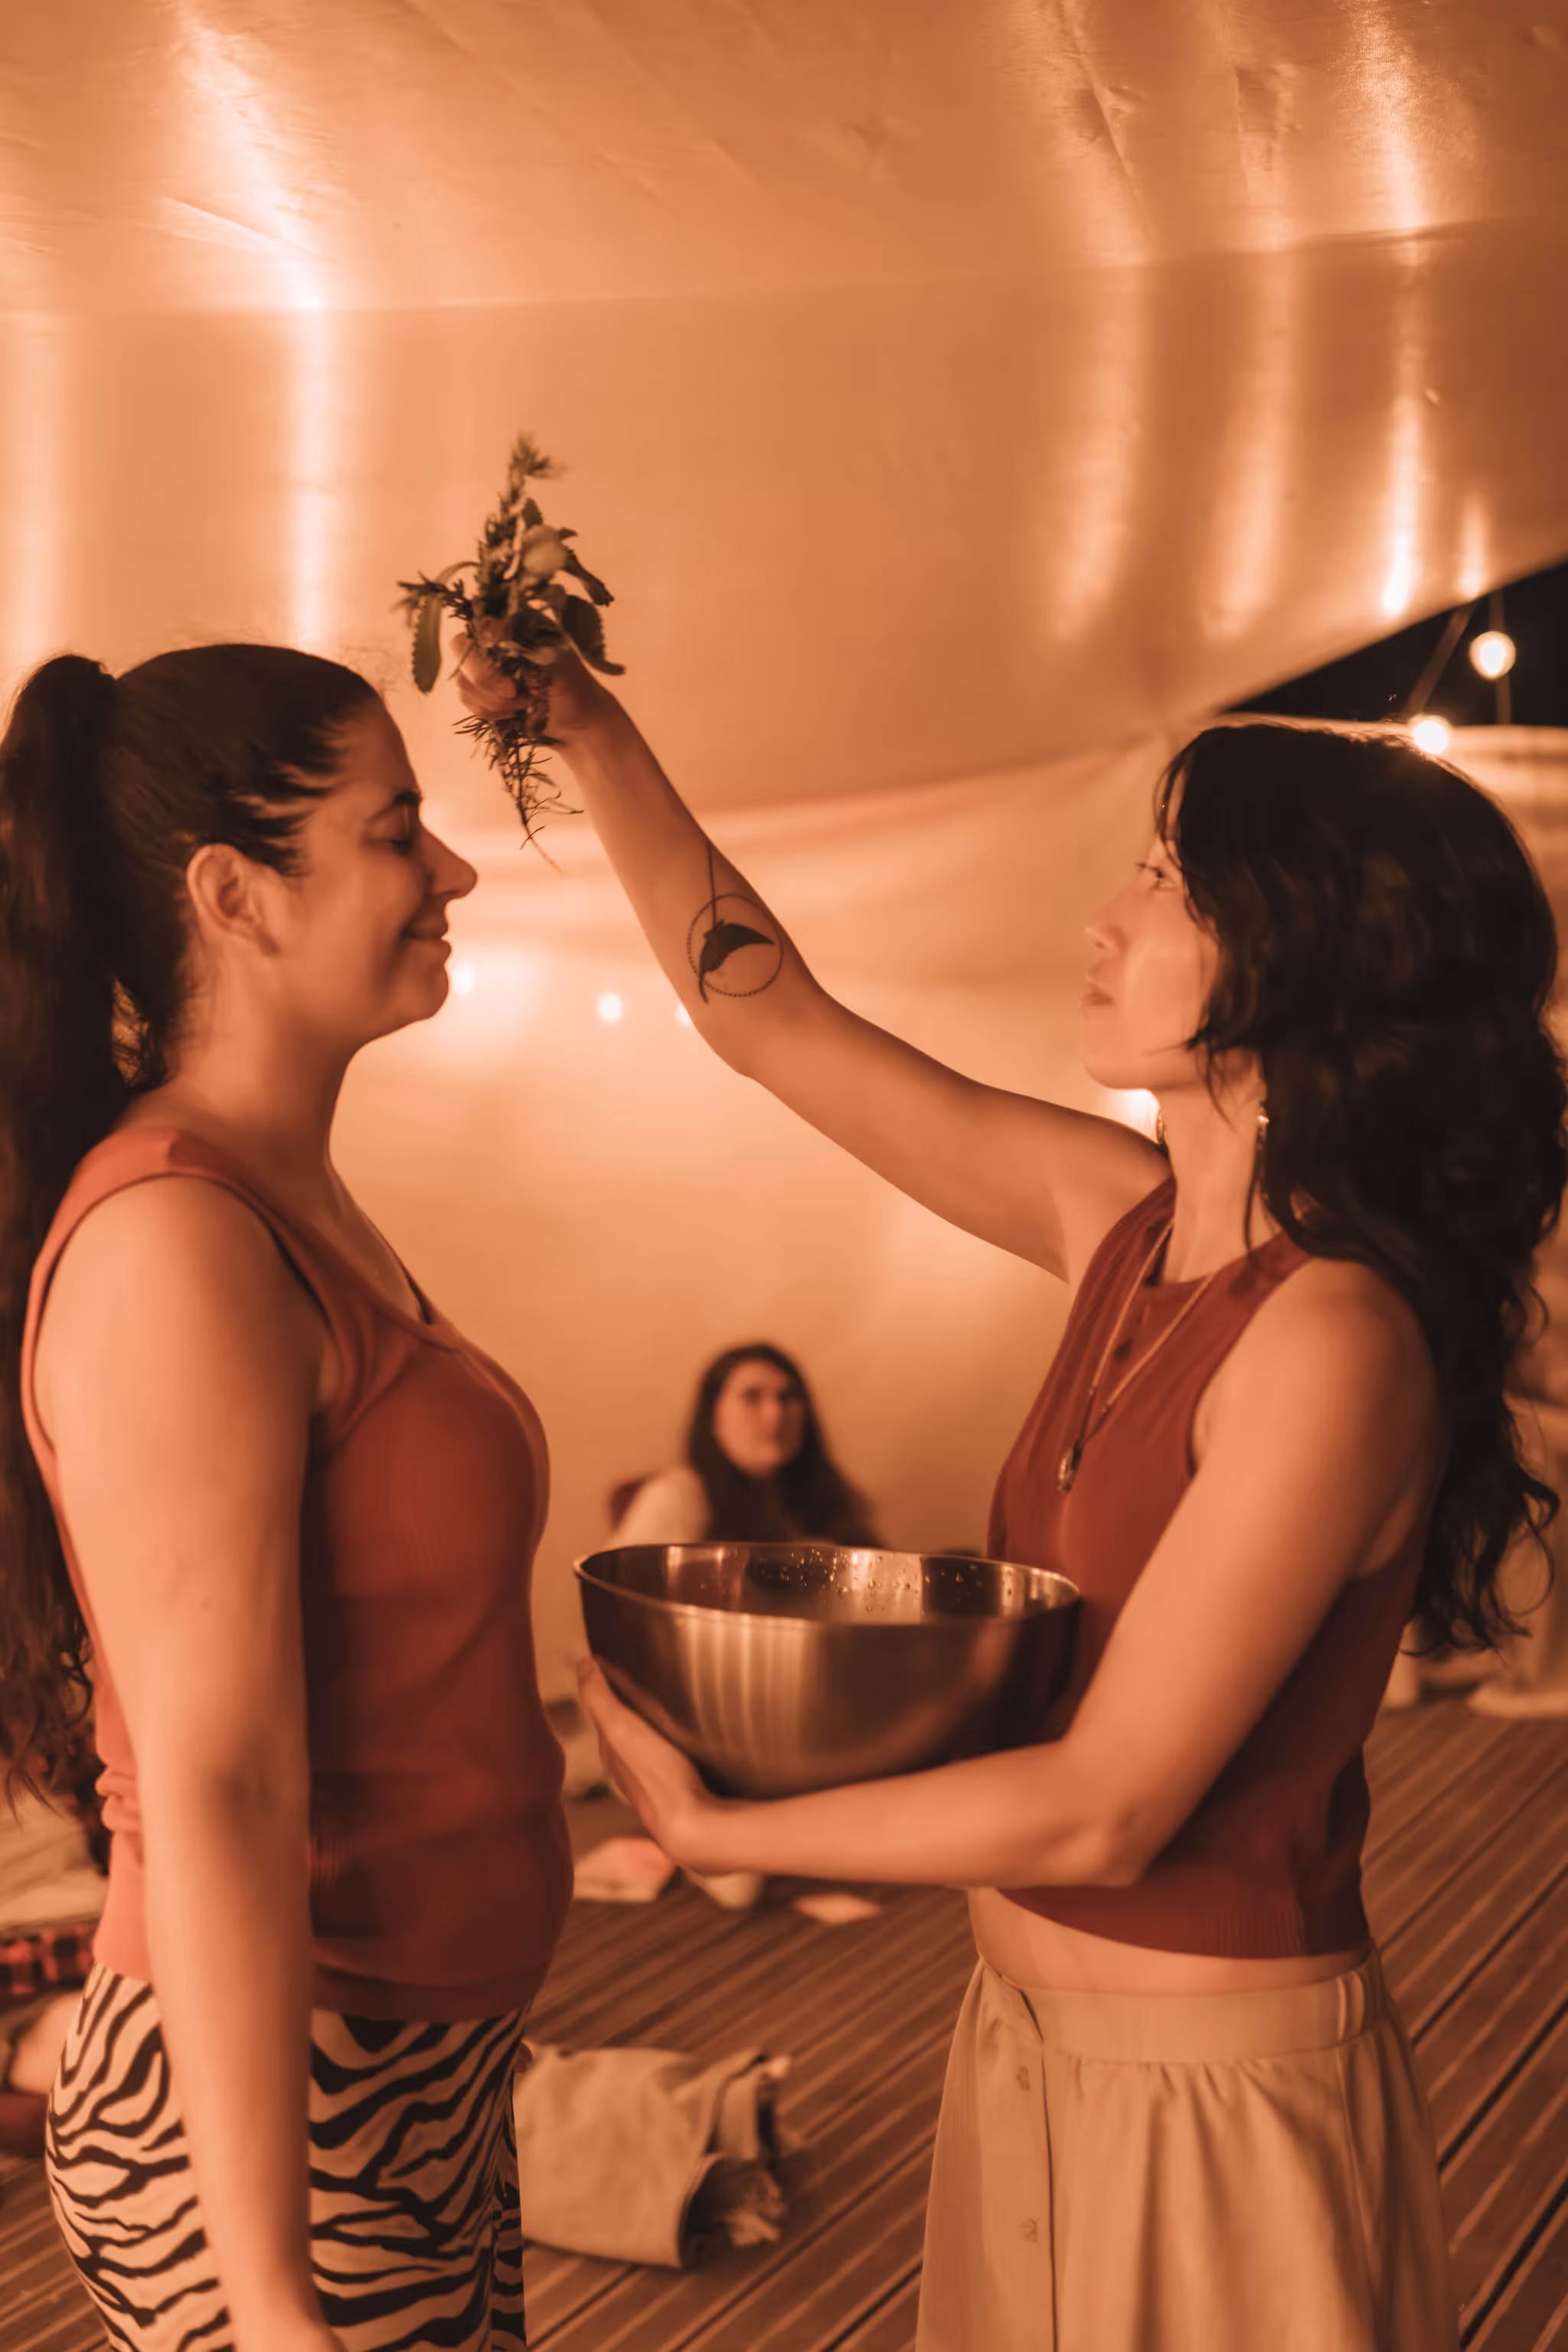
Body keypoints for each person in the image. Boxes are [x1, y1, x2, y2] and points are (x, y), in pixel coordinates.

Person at [474, 644, 1562, 2350]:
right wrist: (591, 733)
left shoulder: (1333, 1335)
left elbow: (1105, 1812)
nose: (1106, 919)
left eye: (1166, 881)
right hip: (1019, 2039)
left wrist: (713, 1832)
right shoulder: (1117, 1224)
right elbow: (766, 1021)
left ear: (1302, 958)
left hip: (1208, 2095)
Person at [0, 649, 573, 2352]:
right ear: (235, 896)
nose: (452, 870)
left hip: (406, 2088)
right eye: (398, 830)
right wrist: (267, 2302)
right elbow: (225, 1783)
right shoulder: (176, 1238)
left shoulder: (286, 1196)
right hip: (267, 2117)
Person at [609, 1341, 880, 1548]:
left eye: (787, 1397)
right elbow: (624, 1608)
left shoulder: (826, 1503)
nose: (775, 1414)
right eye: (752, 1397)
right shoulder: (680, 1495)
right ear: (712, 1417)